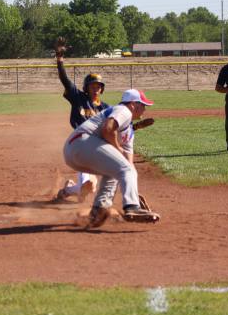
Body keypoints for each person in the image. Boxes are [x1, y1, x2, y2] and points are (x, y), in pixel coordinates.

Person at [63, 89, 160, 228]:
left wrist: (133, 191)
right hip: (80, 142)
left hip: (75, 151)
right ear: (133, 104)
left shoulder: (129, 134)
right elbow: (108, 129)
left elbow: (128, 165)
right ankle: (132, 208)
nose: (145, 109)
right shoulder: (124, 110)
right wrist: (118, 148)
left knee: (118, 170)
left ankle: (98, 210)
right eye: (142, 104)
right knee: (123, 168)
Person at [54, 37, 109, 202]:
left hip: (96, 147)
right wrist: (59, 58)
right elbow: (65, 80)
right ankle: (73, 189)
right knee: (87, 186)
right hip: (80, 144)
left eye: (98, 86)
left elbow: (113, 127)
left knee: (89, 189)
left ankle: (67, 190)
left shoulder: (106, 108)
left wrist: (133, 127)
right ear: (86, 88)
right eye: (92, 86)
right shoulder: (78, 98)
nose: (96, 89)